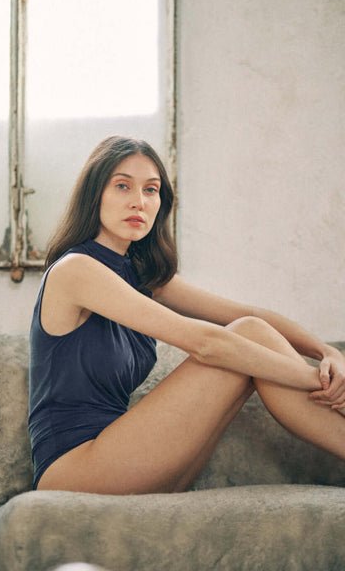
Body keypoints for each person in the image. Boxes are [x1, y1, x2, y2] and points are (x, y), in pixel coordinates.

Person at [28, 135, 345, 494]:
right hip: (73, 469)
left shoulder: (141, 274)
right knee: (245, 336)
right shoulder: (76, 270)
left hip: (130, 460)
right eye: (122, 186)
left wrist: (328, 354)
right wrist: (317, 380)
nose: (139, 202)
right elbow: (208, 344)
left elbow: (248, 313)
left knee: (250, 327)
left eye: (151, 190)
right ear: (94, 194)